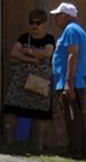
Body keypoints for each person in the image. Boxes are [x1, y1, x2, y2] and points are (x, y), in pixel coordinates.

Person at [4, 8, 54, 146]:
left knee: (40, 115)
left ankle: (39, 146)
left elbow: (47, 53)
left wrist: (28, 50)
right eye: (32, 23)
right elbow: (14, 52)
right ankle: (9, 142)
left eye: (38, 23)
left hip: (40, 81)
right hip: (21, 80)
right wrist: (31, 59)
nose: (35, 26)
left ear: (43, 24)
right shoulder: (24, 37)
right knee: (11, 109)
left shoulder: (49, 39)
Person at [50, 0, 86, 158]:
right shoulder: (77, 30)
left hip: (71, 83)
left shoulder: (71, 30)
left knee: (72, 117)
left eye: (58, 15)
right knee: (74, 117)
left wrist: (68, 81)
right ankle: (77, 149)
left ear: (66, 16)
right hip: (72, 81)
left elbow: (73, 54)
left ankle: (76, 151)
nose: (56, 19)